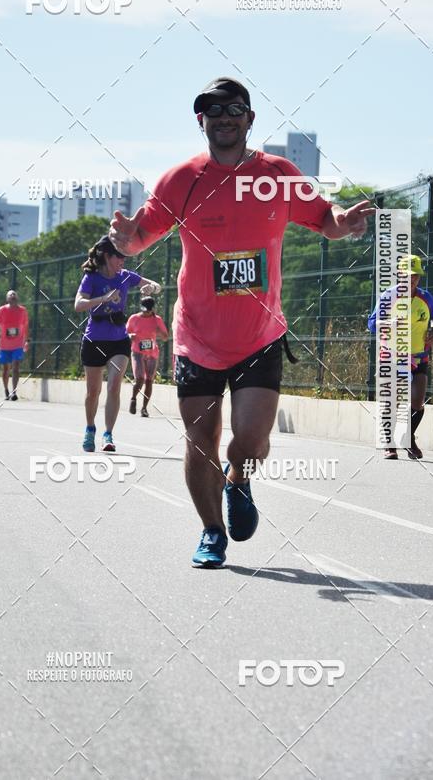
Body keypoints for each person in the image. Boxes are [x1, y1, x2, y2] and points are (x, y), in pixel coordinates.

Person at [110, 76, 374, 567]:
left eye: (234, 109)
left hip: (259, 335)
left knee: (250, 442)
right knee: (200, 440)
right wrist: (127, 239)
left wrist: (344, 222)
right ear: (201, 121)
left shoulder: (276, 174)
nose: (224, 117)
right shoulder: (181, 179)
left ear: (250, 118)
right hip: (197, 336)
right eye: (213, 110)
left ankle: (239, 478)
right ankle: (212, 531)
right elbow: (141, 235)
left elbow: (325, 219)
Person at [74, 235, 161, 453]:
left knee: (114, 386)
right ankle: (90, 428)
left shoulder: (125, 276)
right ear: (106, 256)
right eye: (119, 257)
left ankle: (108, 434)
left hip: (119, 341)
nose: (122, 261)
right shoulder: (92, 278)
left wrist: (150, 288)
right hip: (94, 339)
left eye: (124, 257)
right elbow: (78, 304)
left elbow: (156, 285)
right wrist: (102, 299)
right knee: (93, 392)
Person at [368, 253, 433, 460]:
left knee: (417, 401)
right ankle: (389, 444)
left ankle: (408, 438)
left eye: (415, 275)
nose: (412, 279)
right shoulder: (388, 296)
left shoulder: (426, 297)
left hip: (419, 356)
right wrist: (389, 324)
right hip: (391, 356)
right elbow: (372, 323)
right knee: (392, 400)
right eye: (408, 275)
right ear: (399, 275)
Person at [126, 297, 169, 416]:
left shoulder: (157, 320)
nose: (146, 313)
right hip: (137, 352)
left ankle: (144, 408)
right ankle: (133, 398)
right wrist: (130, 336)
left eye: (149, 311)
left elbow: (165, 337)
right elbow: (125, 332)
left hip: (152, 353)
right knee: (140, 379)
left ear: (152, 309)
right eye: (145, 310)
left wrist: (159, 332)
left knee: (149, 380)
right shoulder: (134, 318)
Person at [0, 290, 29, 401]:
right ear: (7, 299)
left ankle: (14, 391)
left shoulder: (22, 310)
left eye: (14, 294)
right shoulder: (2, 310)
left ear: (17, 298)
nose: (13, 296)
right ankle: (6, 390)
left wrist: (27, 340)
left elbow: (25, 325)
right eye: (10, 295)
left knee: (16, 367)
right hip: (5, 345)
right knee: (6, 369)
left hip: (18, 344)